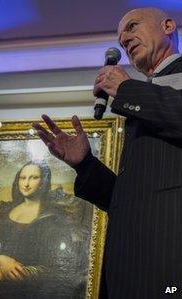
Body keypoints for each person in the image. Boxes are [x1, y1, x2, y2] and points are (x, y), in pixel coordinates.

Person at [32, 7, 182, 299]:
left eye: (132, 26)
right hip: (130, 271)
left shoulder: (141, 95)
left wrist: (126, 90)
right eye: (121, 37)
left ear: (167, 26)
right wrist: (85, 165)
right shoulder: (146, 99)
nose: (125, 39)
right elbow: (134, 198)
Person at [0, 160, 88, 299]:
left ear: (43, 182)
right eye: (22, 177)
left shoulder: (54, 220)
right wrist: (1, 260)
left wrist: (8, 273)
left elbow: (59, 267)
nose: (26, 183)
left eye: (34, 178)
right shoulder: (5, 214)